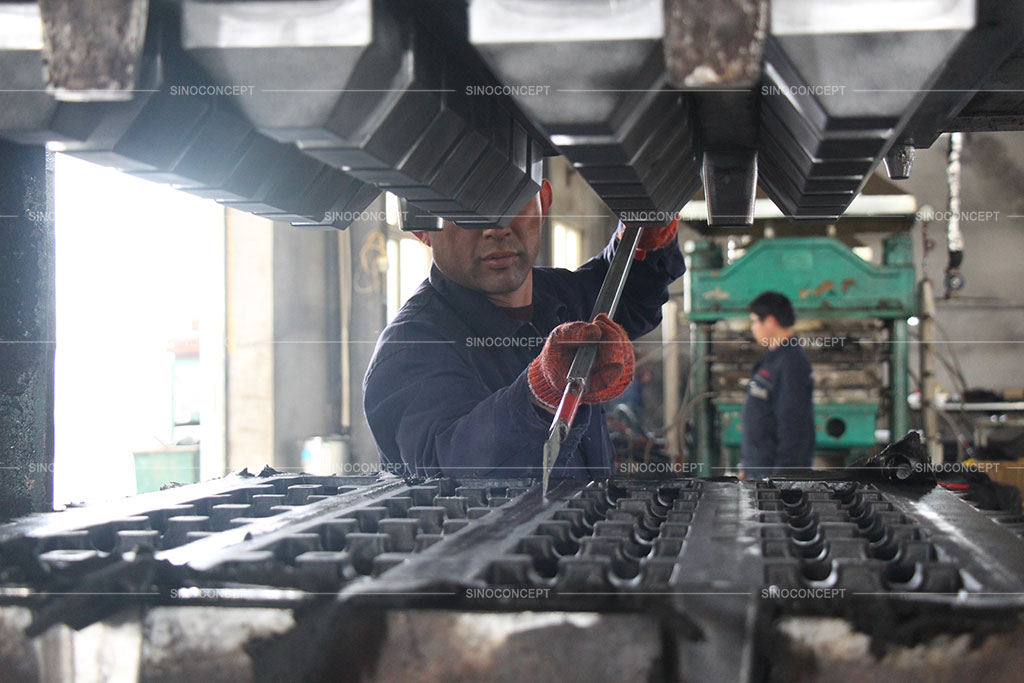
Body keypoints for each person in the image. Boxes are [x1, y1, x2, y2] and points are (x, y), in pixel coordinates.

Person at [362, 179, 684, 479]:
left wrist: (646, 243)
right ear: (422, 226)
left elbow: (627, 297)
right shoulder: (410, 349)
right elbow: (451, 468)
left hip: (590, 531)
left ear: (543, 202)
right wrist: (539, 395)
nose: (497, 228)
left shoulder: (557, 295)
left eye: (513, 200)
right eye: (465, 211)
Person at [739, 291, 815, 480]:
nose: (753, 328)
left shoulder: (791, 363)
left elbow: (792, 423)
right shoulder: (774, 360)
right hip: (759, 468)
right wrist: (747, 465)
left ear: (770, 321)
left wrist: (783, 478)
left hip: (773, 473)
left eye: (755, 321)